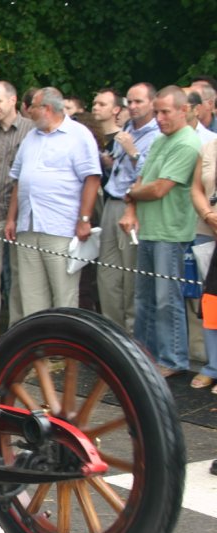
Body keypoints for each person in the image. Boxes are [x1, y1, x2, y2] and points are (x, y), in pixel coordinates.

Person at [118, 86, 202, 376]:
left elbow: (158, 188)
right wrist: (131, 204)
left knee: (167, 299)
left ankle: (173, 359)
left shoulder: (187, 143)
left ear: (183, 110)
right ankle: (144, 354)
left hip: (171, 232)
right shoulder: (160, 140)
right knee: (144, 298)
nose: (160, 118)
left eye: (165, 112)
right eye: (158, 112)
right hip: (150, 229)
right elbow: (143, 178)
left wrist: (132, 194)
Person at [6, 87, 101, 317]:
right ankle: (38, 348)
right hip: (28, 226)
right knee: (31, 296)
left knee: (64, 295)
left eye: (33, 108)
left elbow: (92, 177)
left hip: (61, 227)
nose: (28, 112)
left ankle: (63, 348)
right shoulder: (31, 136)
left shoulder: (79, 135)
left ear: (47, 108)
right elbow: (19, 180)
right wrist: (11, 218)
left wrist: (84, 219)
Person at [97, 83, 160, 333]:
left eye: (138, 102)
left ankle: (134, 339)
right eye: (129, 102)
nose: (132, 107)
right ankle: (112, 333)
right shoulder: (127, 128)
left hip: (133, 207)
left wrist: (133, 153)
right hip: (111, 203)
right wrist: (110, 162)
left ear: (152, 103)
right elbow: (121, 172)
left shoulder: (156, 134)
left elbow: (150, 175)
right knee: (108, 275)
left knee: (131, 277)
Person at [190, 133, 217, 393]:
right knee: (210, 302)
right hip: (207, 230)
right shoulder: (208, 147)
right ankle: (213, 365)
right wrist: (208, 215)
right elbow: (196, 188)